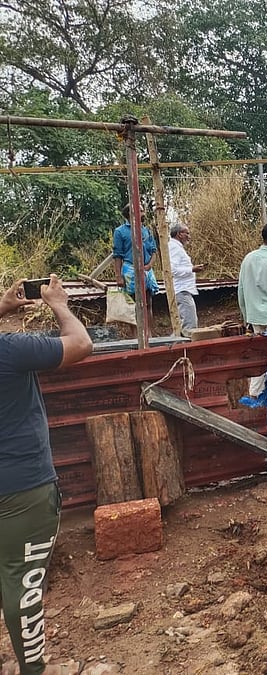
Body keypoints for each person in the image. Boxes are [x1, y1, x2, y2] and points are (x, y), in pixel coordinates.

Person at [0, 275, 93, 675]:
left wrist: (3, 308)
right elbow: (80, 345)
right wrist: (59, 304)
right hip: (23, 488)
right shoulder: (11, 351)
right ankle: (34, 670)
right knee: (22, 584)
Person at [112, 206, 159, 329]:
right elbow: (117, 255)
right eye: (141, 210)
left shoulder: (146, 231)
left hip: (147, 270)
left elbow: (154, 251)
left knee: (148, 303)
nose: (144, 213)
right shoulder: (120, 232)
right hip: (130, 270)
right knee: (132, 304)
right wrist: (118, 276)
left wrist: (149, 265)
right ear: (131, 213)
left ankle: (149, 334)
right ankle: (135, 337)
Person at [168, 223, 205, 335]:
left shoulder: (176, 247)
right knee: (190, 325)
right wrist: (192, 269)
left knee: (182, 324)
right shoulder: (174, 248)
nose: (189, 236)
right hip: (181, 290)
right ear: (179, 234)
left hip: (183, 290)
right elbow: (172, 270)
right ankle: (185, 349)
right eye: (187, 233)